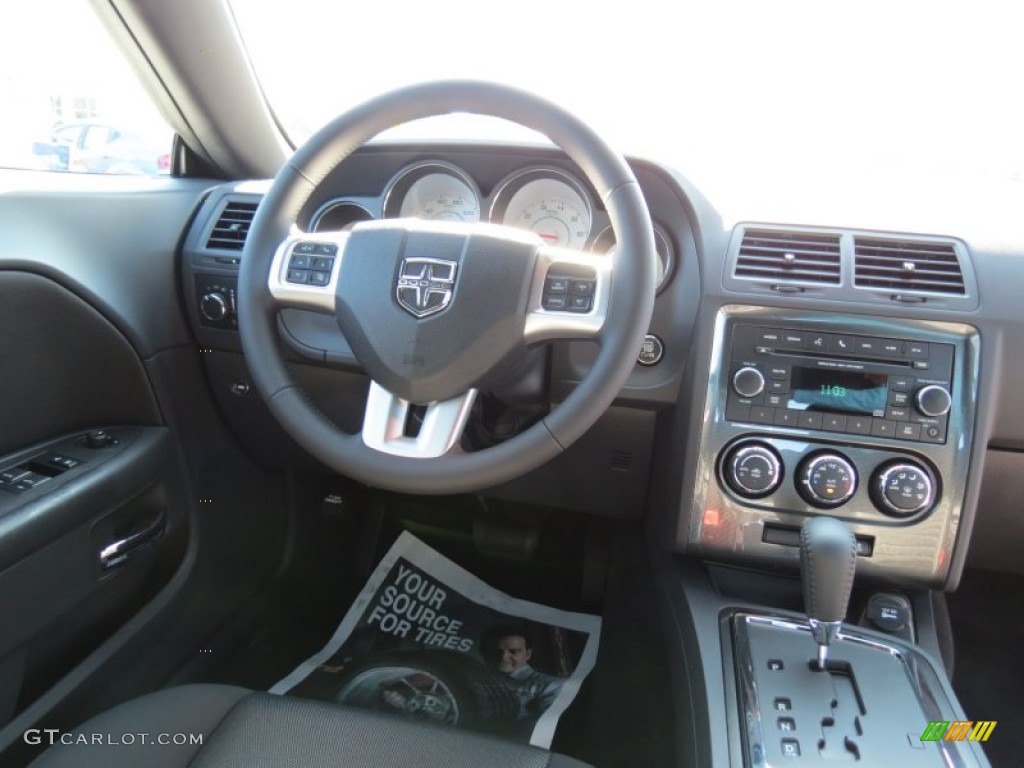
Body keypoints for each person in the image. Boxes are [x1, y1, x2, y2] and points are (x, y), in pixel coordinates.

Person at [494, 631, 564, 720]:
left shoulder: (551, 685)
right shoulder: (477, 678)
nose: (503, 657)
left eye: (513, 651)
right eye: (496, 651)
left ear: (528, 654)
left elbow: (547, 724)